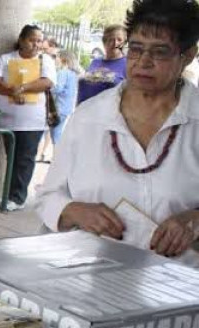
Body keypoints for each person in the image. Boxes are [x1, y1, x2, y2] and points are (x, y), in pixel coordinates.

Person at [37, 0, 199, 266]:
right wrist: (73, 210)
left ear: (188, 55)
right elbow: (47, 197)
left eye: (160, 52)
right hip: (93, 277)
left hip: (183, 283)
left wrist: (193, 220)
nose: (143, 62)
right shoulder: (88, 118)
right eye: (135, 48)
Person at [0, 24, 56, 212]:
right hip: (8, 120)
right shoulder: (6, 58)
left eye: (39, 41)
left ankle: (17, 198)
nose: (36, 44)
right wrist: (12, 90)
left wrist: (22, 88)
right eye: (32, 40)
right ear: (21, 40)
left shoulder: (45, 60)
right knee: (11, 157)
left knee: (24, 159)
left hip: (32, 122)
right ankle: (9, 194)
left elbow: (47, 82)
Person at [77, 24, 127, 104]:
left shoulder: (127, 64)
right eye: (111, 39)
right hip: (85, 111)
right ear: (104, 42)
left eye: (119, 40)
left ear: (124, 43)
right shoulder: (95, 62)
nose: (115, 43)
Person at [50, 50, 81, 145]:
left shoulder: (63, 72)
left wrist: (47, 87)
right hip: (66, 108)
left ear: (63, 59)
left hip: (58, 107)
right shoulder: (73, 74)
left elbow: (58, 88)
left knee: (55, 135)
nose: (55, 60)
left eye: (57, 57)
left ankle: (58, 156)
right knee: (57, 133)